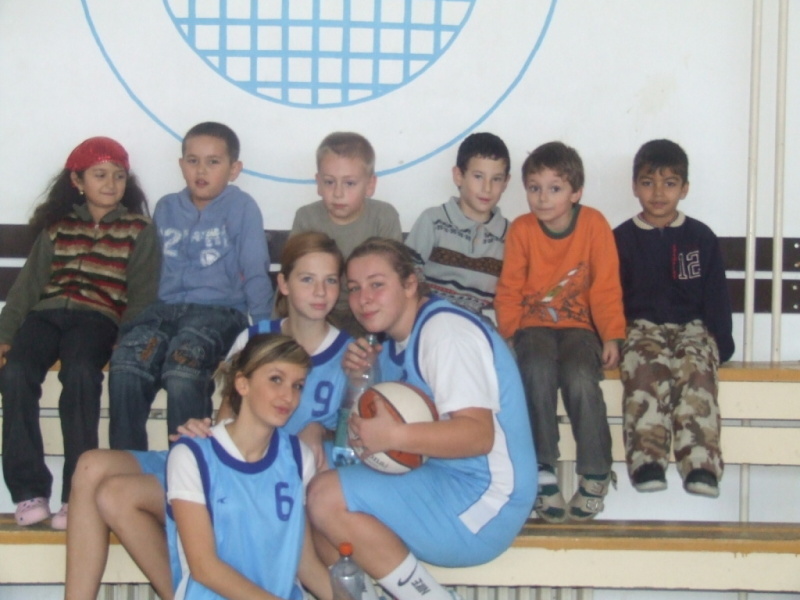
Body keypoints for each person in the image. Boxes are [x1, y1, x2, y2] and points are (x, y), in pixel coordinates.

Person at [64, 232, 349, 600]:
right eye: (307, 278)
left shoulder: (352, 356)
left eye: (330, 280)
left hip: (278, 480)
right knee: (91, 466)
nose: (320, 291)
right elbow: (228, 416)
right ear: (283, 283)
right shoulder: (254, 337)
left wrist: (319, 431)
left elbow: (355, 440)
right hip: (227, 464)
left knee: (117, 495)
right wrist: (206, 428)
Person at [307, 237, 536, 600]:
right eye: (354, 288)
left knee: (325, 497)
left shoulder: (445, 333)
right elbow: (367, 439)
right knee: (310, 486)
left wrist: (394, 436)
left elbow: (478, 436)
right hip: (440, 480)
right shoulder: (391, 347)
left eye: (377, 284)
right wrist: (360, 382)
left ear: (410, 284)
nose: (364, 298)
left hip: (486, 502)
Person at [0, 136, 159, 529]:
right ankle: (29, 490)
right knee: (15, 371)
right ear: (77, 181)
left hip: (96, 319)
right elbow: (26, 288)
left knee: (82, 374)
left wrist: (128, 336)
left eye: (118, 176)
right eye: (99, 175)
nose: (110, 183)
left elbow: (142, 293)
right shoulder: (58, 227)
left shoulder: (138, 229)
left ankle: (77, 492)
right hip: (45, 315)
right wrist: (5, 334)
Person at [108, 121, 273, 451]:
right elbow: (147, 274)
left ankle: (190, 465)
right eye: (193, 160)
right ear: (181, 164)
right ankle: (128, 466)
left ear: (234, 169)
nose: (201, 170)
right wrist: (128, 326)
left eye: (213, 162)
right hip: (163, 312)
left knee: (182, 372)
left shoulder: (242, 208)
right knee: (126, 369)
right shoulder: (167, 207)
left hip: (218, 313)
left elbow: (256, 271)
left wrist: (264, 334)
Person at [494, 141, 625, 523]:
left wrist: (612, 334)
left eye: (554, 188)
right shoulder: (521, 230)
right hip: (532, 327)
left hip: (579, 328)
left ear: (575, 192)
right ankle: (541, 469)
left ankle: (596, 471)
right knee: (535, 371)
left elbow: (605, 287)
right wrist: (510, 333)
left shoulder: (594, 224)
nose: (543, 198)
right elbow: (509, 289)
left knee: (581, 377)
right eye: (534, 188)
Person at [166, 333, 331, 600]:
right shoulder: (192, 454)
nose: (288, 395)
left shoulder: (299, 457)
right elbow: (204, 567)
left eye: (298, 385)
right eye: (276, 379)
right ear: (242, 384)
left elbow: (305, 563)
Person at [614, 139, 733, 498]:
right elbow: (609, 296)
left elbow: (716, 293)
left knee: (697, 372)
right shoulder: (621, 239)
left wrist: (721, 343)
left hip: (691, 328)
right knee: (644, 370)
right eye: (648, 182)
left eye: (669, 183)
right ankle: (647, 462)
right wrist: (609, 338)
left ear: (684, 189)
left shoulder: (700, 237)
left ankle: (700, 465)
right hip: (641, 328)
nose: (658, 193)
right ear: (634, 187)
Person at [291, 131, 402, 336]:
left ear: (370, 185)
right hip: (318, 311)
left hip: (368, 311)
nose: (338, 193)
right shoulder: (306, 218)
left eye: (349, 183)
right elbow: (293, 279)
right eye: (329, 182)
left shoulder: (383, 217)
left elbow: (394, 281)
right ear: (318, 183)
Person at [406, 132, 510, 318]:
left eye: (496, 179)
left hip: (479, 325)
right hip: (431, 317)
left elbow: (511, 292)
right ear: (458, 176)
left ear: (505, 183)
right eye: (478, 176)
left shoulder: (511, 236)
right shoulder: (434, 221)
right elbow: (407, 270)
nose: (487, 188)